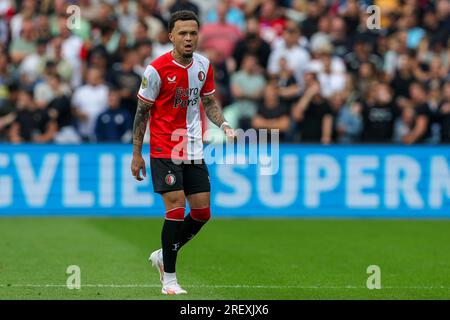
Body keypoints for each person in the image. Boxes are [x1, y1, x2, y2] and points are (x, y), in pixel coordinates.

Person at [130, 10, 235, 295]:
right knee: (175, 210)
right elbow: (142, 112)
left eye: (193, 33)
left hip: (193, 147)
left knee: (202, 212)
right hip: (165, 147)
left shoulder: (204, 65)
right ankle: (170, 279)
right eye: (183, 33)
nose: (188, 38)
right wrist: (137, 153)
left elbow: (209, 102)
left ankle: (163, 255)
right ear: (171, 36)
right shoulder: (156, 70)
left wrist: (224, 124)